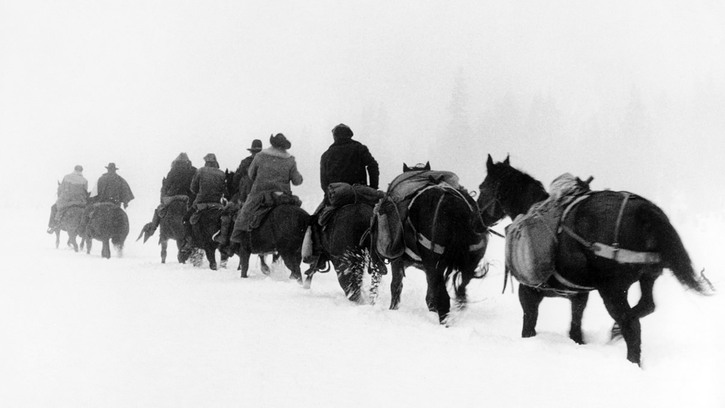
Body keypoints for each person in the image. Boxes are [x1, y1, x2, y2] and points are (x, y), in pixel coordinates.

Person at [307, 123, 379, 266]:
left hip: (337, 196)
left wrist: (330, 196)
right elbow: (373, 166)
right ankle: (389, 251)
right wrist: (373, 188)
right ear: (350, 135)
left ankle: (319, 255)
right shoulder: (360, 148)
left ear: (334, 137)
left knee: (314, 221)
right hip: (362, 194)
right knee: (383, 216)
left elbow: (324, 182)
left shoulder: (327, 154)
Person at [231, 133, 303, 240]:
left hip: (260, 194)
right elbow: (297, 181)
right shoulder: (290, 160)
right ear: (284, 146)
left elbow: (251, 174)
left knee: (245, 213)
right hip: (283, 196)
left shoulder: (260, 156)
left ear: (272, 144)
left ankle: (238, 236)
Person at [215, 139, 263, 246]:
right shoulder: (267, 162)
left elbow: (236, 180)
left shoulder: (245, 162)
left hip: (245, 195)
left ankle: (224, 238)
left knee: (226, 213)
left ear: (251, 151)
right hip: (265, 195)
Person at [141, 153, 197, 239]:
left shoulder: (173, 171)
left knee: (159, 210)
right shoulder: (193, 170)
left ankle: (152, 228)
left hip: (172, 198)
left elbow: (166, 187)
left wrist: (163, 199)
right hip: (188, 198)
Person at [185, 153, 228, 241]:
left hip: (200, 203)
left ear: (206, 162)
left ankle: (189, 242)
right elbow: (225, 190)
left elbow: (193, 189)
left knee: (185, 219)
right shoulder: (222, 173)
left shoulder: (200, 171)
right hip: (217, 204)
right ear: (215, 162)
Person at [47, 165, 89, 233]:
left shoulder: (66, 177)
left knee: (54, 208)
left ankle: (53, 225)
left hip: (66, 201)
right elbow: (85, 191)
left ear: (74, 169)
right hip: (80, 202)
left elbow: (61, 189)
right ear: (81, 171)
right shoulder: (85, 180)